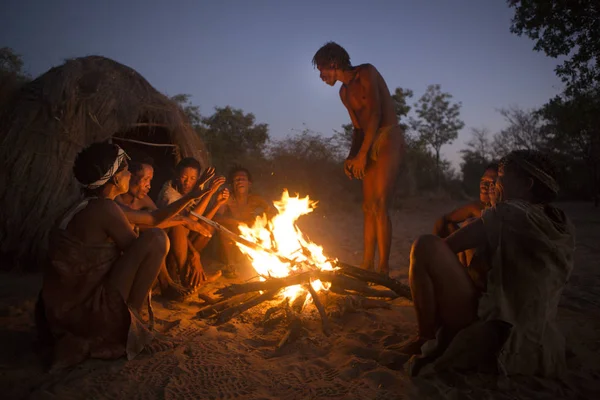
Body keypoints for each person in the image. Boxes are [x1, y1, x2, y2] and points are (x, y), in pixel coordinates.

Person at [393, 150, 575, 378]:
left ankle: (425, 337)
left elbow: (445, 247)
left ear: (526, 184)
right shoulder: (558, 220)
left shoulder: (509, 213)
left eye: (501, 177)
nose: (495, 184)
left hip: (497, 326)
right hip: (535, 330)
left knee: (425, 245)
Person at [35, 143, 212, 370]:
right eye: (127, 170)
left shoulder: (93, 205)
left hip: (63, 312)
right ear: (116, 180)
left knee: (152, 235)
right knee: (157, 240)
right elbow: (139, 249)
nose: (131, 174)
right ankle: (133, 328)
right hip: (84, 315)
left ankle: (131, 323)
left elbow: (154, 218)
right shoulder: (105, 210)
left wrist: (193, 197)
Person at [312, 41, 405, 277]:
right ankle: (367, 265)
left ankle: (383, 269)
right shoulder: (343, 93)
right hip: (367, 141)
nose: (321, 76)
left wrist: (363, 155)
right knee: (367, 207)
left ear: (333, 64)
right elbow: (357, 128)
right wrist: (352, 156)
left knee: (380, 205)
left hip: (387, 137)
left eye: (322, 70)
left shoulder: (366, 72)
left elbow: (375, 114)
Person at [115, 158, 214, 299]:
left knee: (175, 224)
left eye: (151, 180)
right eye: (145, 179)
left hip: (148, 250)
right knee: (157, 233)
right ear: (129, 177)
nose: (149, 186)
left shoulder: (142, 199)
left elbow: (162, 218)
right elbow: (152, 222)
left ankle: (187, 277)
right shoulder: (115, 202)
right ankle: (166, 283)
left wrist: (194, 252)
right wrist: (182, 219)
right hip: (126, 257)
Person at [157, 157, 227, 289]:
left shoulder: (196, 187)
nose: (187, 183)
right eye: (184, 177)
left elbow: (199, 221)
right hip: (168, 239)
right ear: (177, 176)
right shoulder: (169, 194)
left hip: (185, 234)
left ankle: (190, 272)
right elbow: (188, 220)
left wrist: (217, 203)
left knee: (208, 227)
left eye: (192, 178)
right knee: (178, 224)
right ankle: (182, 273)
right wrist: (209, 192)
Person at [215, 165, 277, 277]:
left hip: (252, 240)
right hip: (231, 242)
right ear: (232, 184)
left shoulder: (256, 199)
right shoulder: (227, 199)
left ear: (249, 183)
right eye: (236, 180)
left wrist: (261, 220)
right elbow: (216, 218)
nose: (240, 182)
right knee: (224, 231)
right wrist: (237, 223)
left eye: (243, 179)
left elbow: (273, 212)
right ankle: (231, 266)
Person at [433, 162, 498, 266]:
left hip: (490, 273)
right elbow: (444, 219)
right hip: (468, 269)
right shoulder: (476, 208)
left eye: (491, 182)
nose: (484, 186)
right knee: (449, 226)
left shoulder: (510, 213)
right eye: (483, 181)